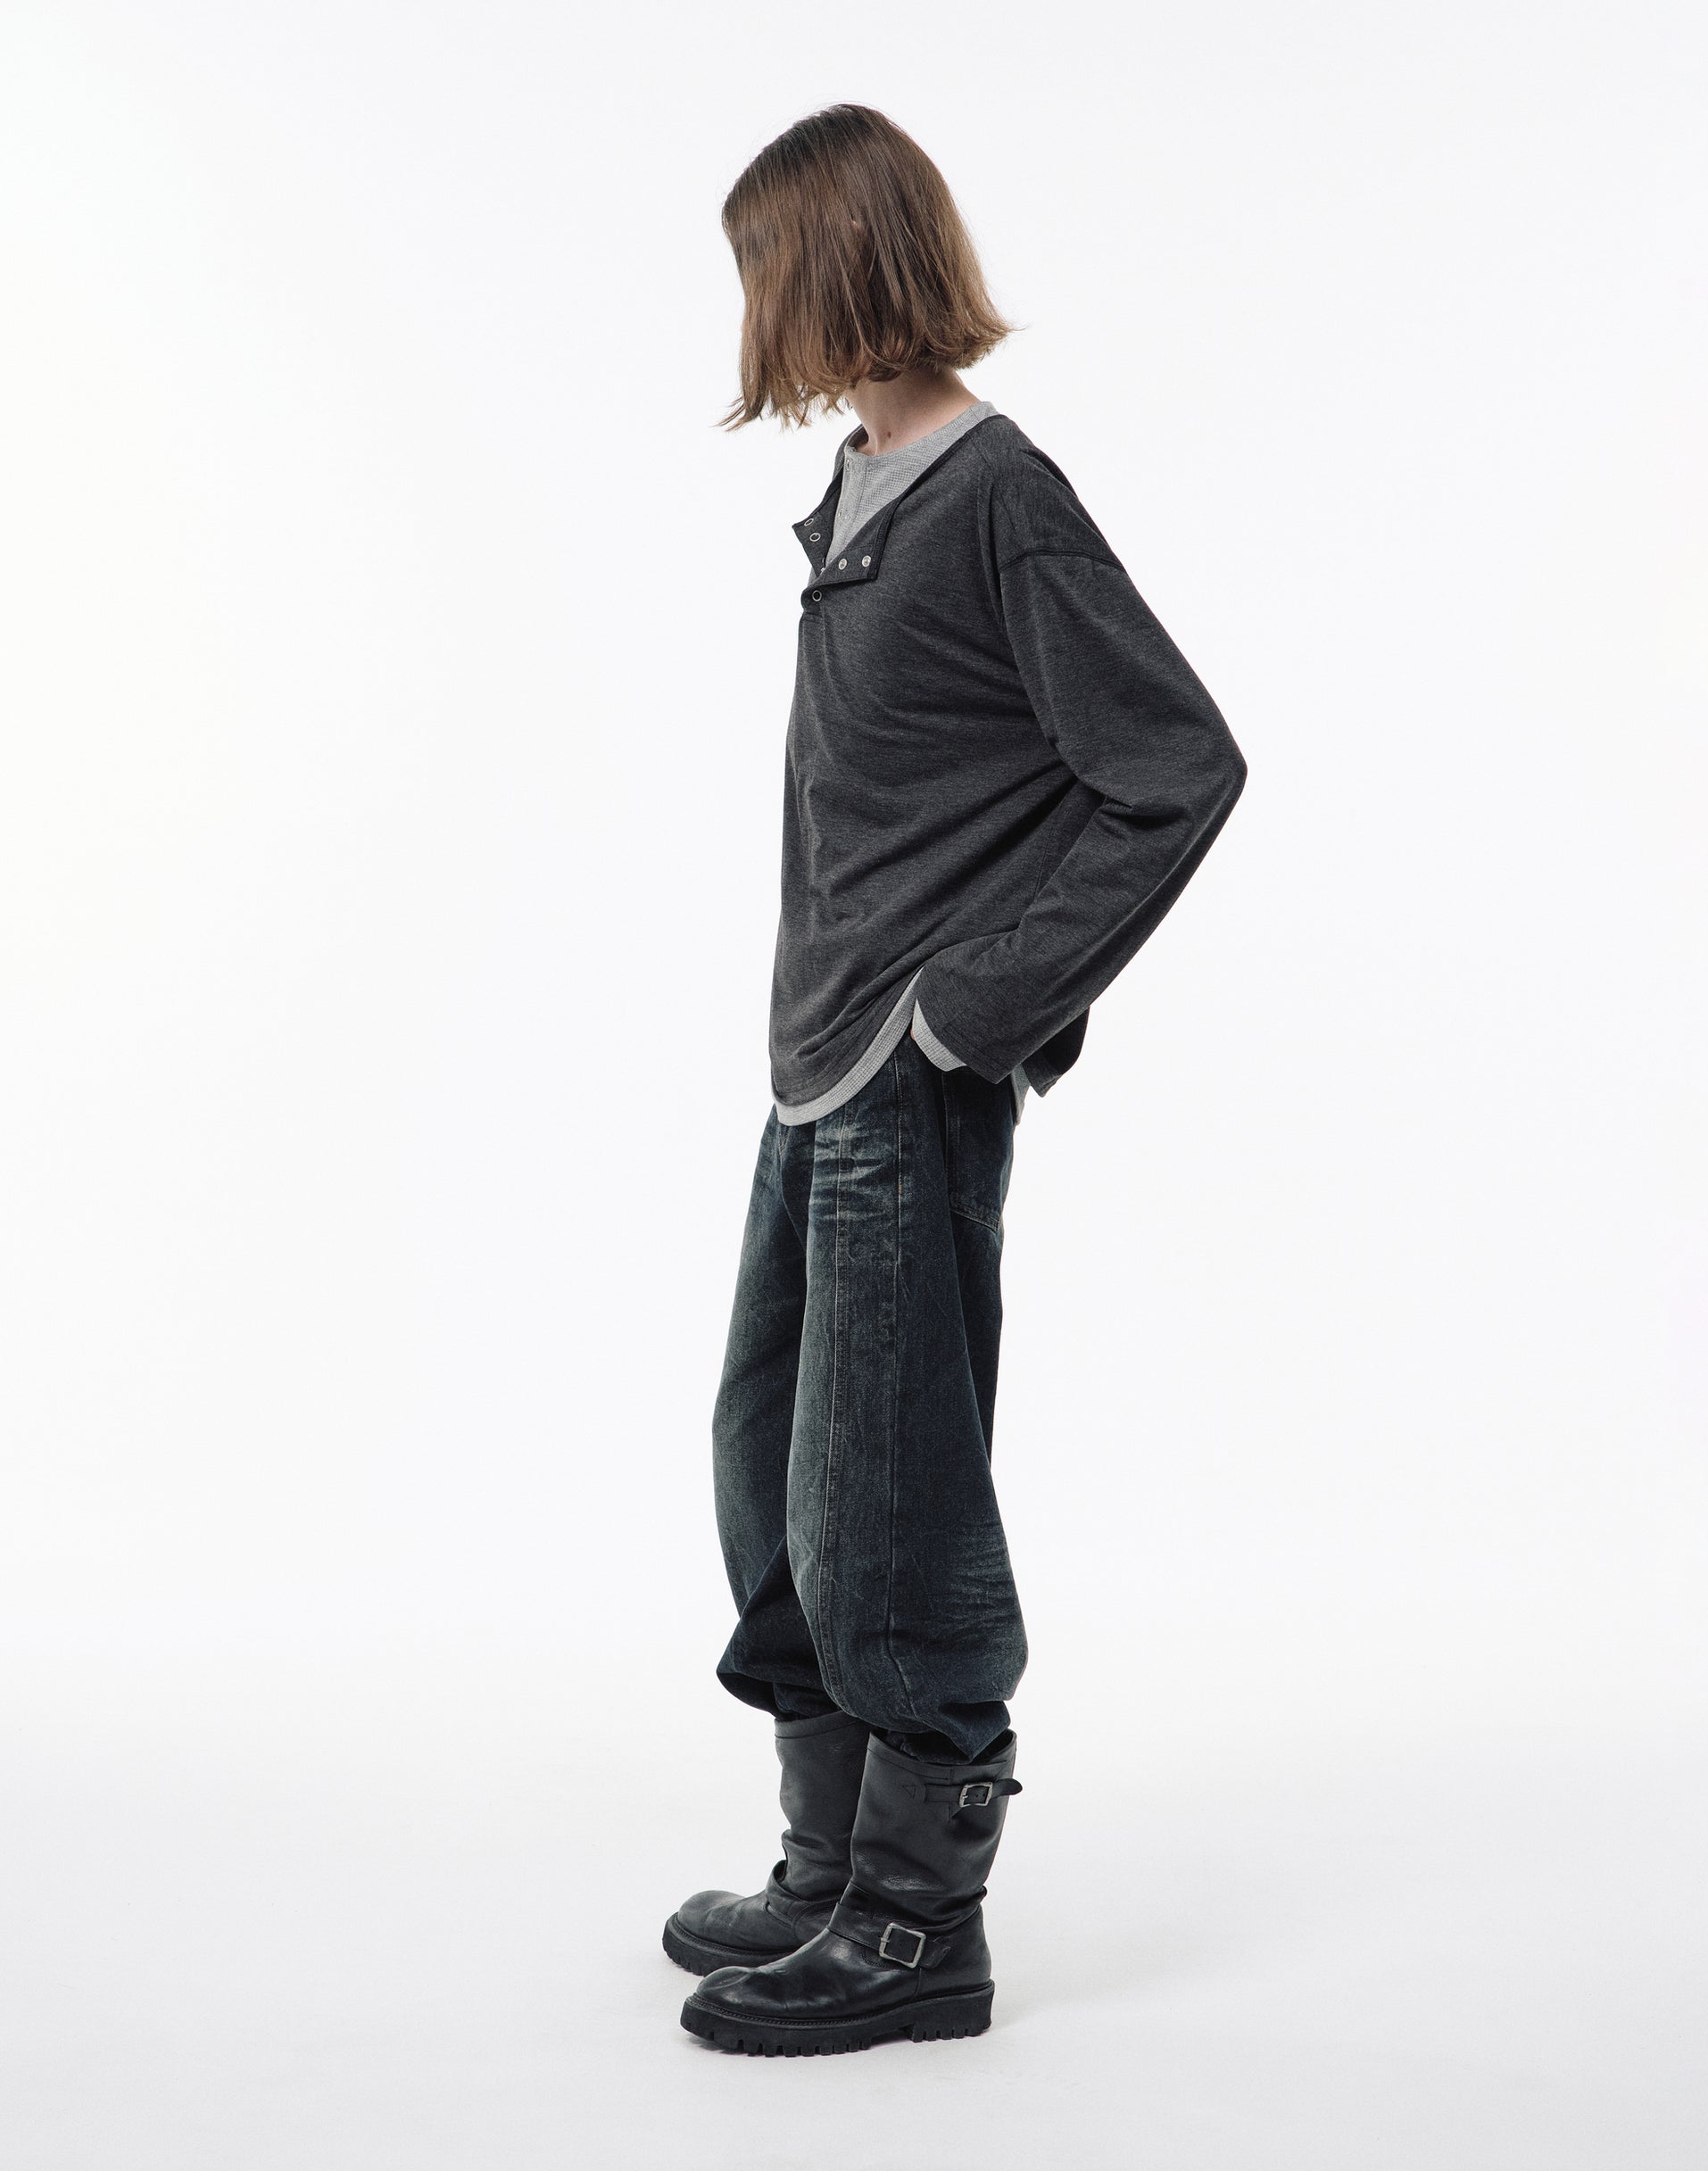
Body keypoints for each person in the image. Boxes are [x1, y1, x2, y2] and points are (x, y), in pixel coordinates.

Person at [667, 104, 1247, 2058]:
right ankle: (832, 1854)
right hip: (814, 1062)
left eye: (764, 274)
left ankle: (921, 1920)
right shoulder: (860, 486)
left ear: (831, 271)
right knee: (771, 1458)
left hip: (902, 1078)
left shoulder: (996, 495)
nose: (751, 313)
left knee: (884, 1489)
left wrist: (972, 1008)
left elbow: (1174, 766)